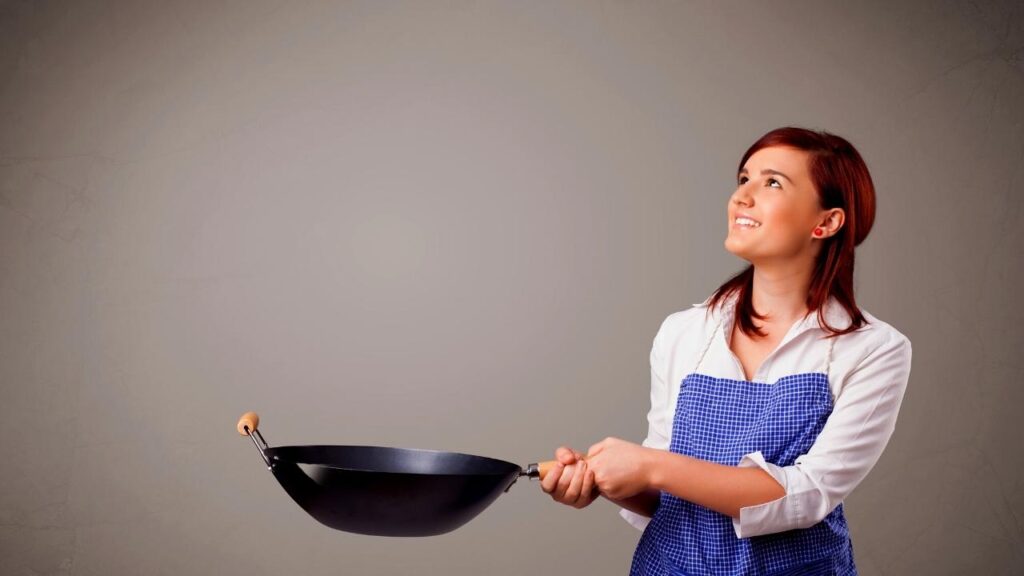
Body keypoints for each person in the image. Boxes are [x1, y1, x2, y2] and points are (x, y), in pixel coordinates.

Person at [541, 126, 913, 575]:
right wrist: (603, 483)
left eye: (772, 182)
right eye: (743, 180)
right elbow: (663, 498)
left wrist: (652, 465)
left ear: (827, 222)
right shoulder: (684, 333)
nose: (742, 197)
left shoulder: (873, 349)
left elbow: (809, 496)